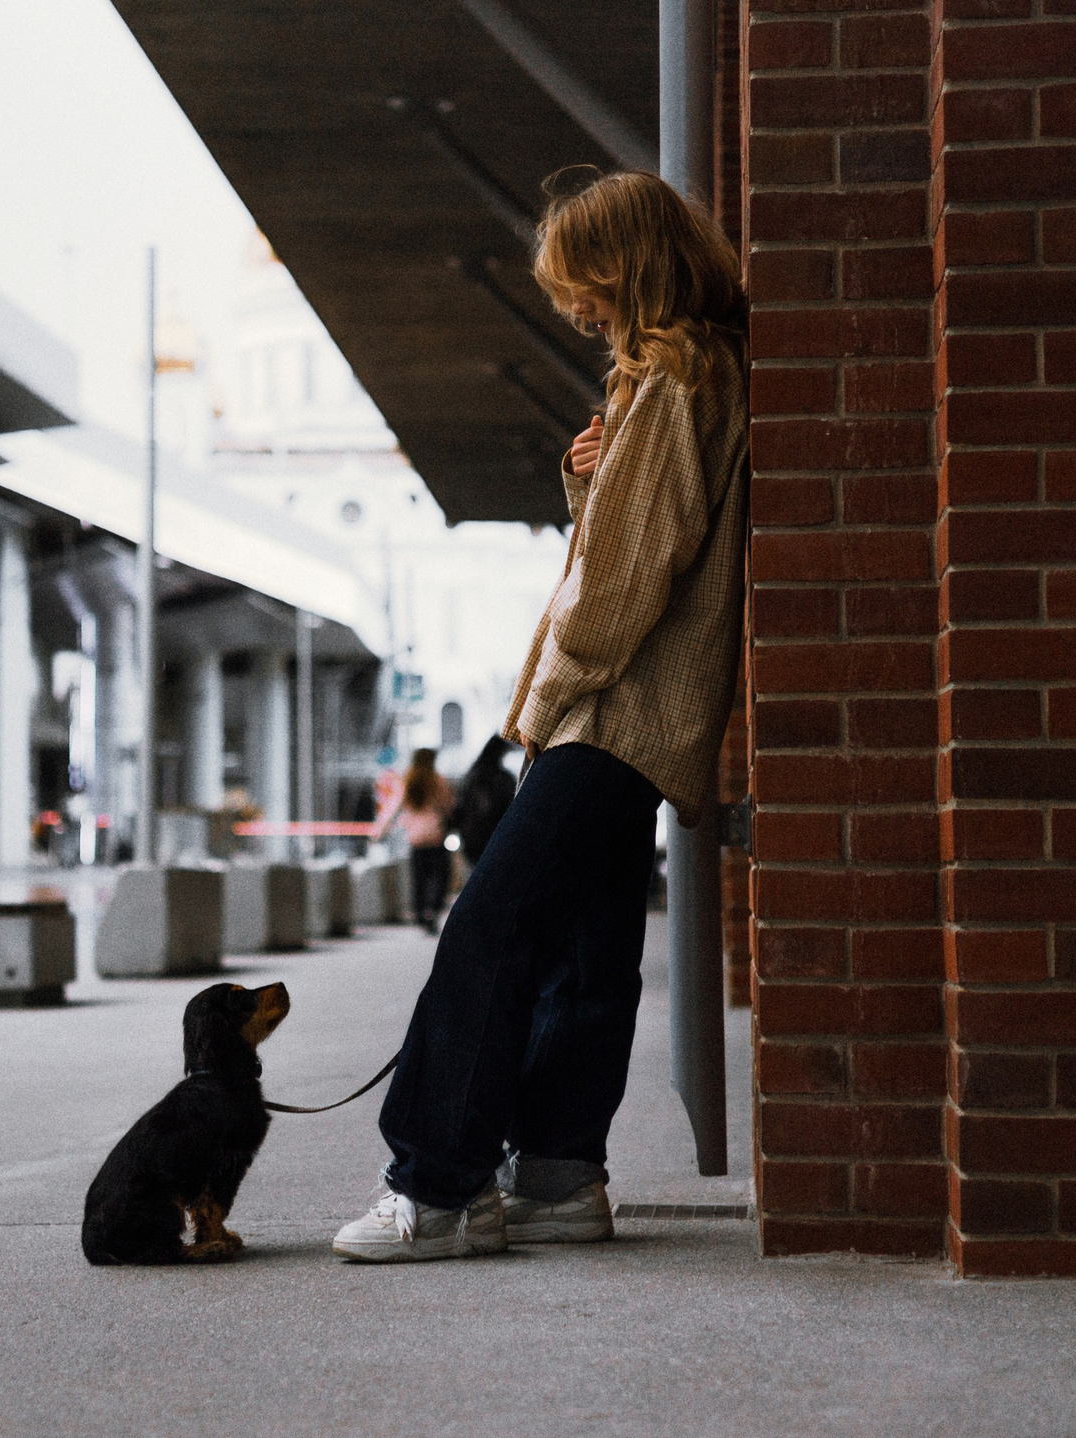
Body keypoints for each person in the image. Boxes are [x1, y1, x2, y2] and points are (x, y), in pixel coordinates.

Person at [332, 169, 747, 1262]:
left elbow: (620, 586)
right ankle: (559, 1174)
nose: (572, 310)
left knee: (488, 929)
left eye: (581, 285)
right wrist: (587, 488)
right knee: (584, 944)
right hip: (642, 719)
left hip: (609, 713)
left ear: (626, 268)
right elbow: (635, 541)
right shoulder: (685, 382)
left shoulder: (671, 384)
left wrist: (545, 699)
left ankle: (434, 1188)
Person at [374, 749, 456, 934]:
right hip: (435, 837)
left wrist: (379, 830)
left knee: (419, 879)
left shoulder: (407, 781)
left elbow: (393, 808)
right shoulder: (437, 780)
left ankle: (421, 913)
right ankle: (432, 909)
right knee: (440, 877)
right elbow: (449, 805)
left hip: (416, 839)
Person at [447, 735, 519, 866]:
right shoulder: (505, 779)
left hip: (471, 837)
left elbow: (460, 807)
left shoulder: (471, 776)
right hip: (496, 836)